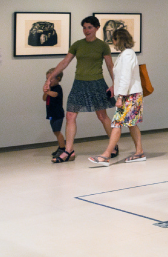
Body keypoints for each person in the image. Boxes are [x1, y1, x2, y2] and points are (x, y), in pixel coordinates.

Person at [45, 16, 116, 163]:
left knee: (102, 116)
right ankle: (69, 150)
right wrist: (49, 78)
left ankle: (113, 145)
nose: (86, 30)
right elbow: (65, 62)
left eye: (89, 27)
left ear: (96, 28)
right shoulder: (78, 44)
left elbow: (110, 66)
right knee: (70, 114)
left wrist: (115, 84)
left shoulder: (102, 46)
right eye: (84, 27)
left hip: (96, 83)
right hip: (79, 84)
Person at [89, 29, 145, 166]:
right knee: (131, 124)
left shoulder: (127, 55)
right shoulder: (125, 54)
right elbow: (122, 77)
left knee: (116, 123)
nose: (112, 42)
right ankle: (139, 152)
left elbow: (126, 77)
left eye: (113, 39)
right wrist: (115, 88)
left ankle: (106, 155)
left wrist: (120, 97)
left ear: (118, 40)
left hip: (129, 95)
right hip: (130, 94)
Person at [43, 69, 66, 157]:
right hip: (51, 114)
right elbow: (44, 98)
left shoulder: (58, 88)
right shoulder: (51, 88)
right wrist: (45, 92)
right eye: (47, 79)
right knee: (55, 131)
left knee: (57, 131)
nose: (48, 81)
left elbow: (55, 94)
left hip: (57, 114)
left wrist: (48, 91)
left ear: (58, 79)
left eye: (50, 79)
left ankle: (62, 148)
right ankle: (60, 147)